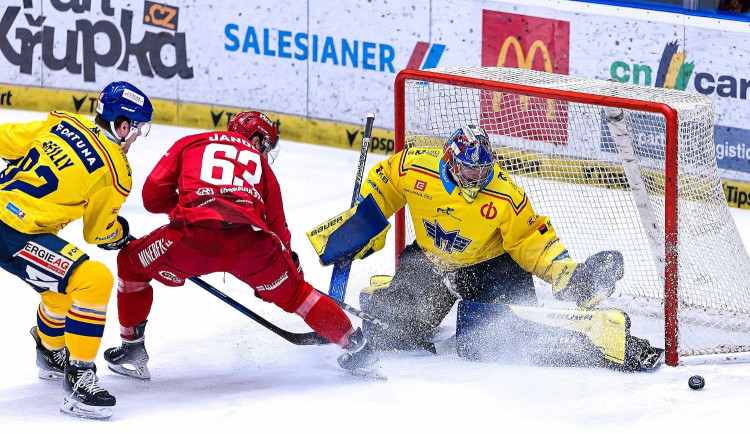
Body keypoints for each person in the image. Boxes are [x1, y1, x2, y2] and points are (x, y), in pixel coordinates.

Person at [312, 124, 663, 371]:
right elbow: (384, 183)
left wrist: (565, 274)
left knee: (490, 342)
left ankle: (607, 345)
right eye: (468, 170)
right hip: (431, 263)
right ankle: (386, 295)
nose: (477, 178)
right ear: (450, 161)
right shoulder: (414, 165)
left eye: (482, 170)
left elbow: (531, 240)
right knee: (394, 329)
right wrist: (362, 223)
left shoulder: (504, 194)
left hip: (492, 268)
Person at [103, 111, 377, 381]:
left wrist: (188, 208)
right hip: (252, 245)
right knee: (299, 297)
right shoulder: (261, 164)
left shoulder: (190, 142)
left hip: (191, 238)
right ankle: (358, 347)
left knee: (130, 264)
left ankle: (132, 349)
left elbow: (151, 197)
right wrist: (290, 275)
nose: (265, 152)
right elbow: (278, 229)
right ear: (256, 140)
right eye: (266, 145)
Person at [0, 81, 154, 419]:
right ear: (122, 125)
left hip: (11, 218)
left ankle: (50, 350)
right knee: (94, 280)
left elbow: (5, 140)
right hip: (17, 232)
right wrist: (119, 233)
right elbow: (98, 232)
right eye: (137, 129)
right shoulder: (116, 172)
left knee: (61, 291)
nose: (135, 138)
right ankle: (79, 377)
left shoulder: (62, 121)